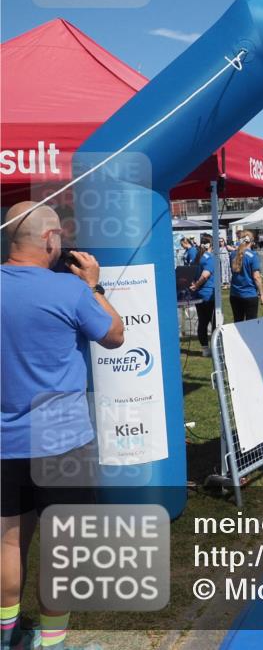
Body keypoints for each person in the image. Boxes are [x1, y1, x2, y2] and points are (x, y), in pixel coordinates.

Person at [2, 202, 125, 650]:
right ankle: (53, 642)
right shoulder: (69, 290)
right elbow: (114, 335)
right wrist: (94, 285)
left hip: (5, 442)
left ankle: (8, 636)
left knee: (7, 543)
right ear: (49, 239)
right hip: (62, 441)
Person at [187, 234, 217, 356]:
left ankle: (205, 349)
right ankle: (215, 348)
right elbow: (205, 275)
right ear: (211, 245)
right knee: (215, 322)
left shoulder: (197, 257)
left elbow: (191, 272)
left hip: (199, 295)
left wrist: (194, 285)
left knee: (202, 321)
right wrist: (197, 285)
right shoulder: (209, 258)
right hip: (208, 294)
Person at [228, 234, 263, 322]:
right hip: (249, 294)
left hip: (235, 294)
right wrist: (262, 294)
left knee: (238, 323)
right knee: (251, 324)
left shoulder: (233, 254)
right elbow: (256, 277)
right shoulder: (253, 255)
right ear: (251, 242)